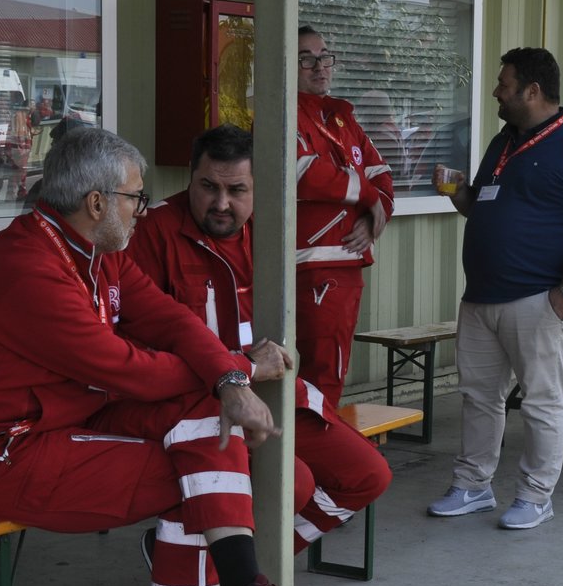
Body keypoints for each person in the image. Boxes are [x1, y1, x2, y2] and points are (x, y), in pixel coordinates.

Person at [0, 125, 330, 586]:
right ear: (96, 203)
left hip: (62, 419)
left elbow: (170, 320)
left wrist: (228, 383)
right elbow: (126, 369)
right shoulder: (27, 268)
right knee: (196, 483)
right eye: (136, 198)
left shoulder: (94, 250)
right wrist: (238, 368)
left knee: (202, 429)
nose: (144, 209)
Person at [128, 123, 393, 557]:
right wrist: (234, 364)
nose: (221, 203)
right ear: (190, 179)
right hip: (194, 398)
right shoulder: (152, 232)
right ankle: (229, 577)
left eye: (237, 190)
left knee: (368, 475)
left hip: (269, 391)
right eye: (208, 186)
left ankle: (253, 566)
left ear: (259, 187)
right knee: (296, 482)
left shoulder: (272, 231)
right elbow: (138, 343)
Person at [426, 47, 563, 530]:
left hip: (539, 298)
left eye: (503, 85)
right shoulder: (503, 141)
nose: (495, 92)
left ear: (532, 91)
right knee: (478, 396)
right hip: (482, 295)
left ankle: (535, 495)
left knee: (542, 400)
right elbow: (481, 206)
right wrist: (457, 192)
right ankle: (472, 485)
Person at [293, 25, 396, 406]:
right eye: (306, 58)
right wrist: (366, 196)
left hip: (348, 266)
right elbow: (302, 172)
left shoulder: (341, 118)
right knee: (315, 376)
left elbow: (382, 177)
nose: (320, 67)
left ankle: (319, 456)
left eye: (324, 57)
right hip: (310, 268)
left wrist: (373, 218)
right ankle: (307, 459)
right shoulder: (281, 111)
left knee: (333, 372)